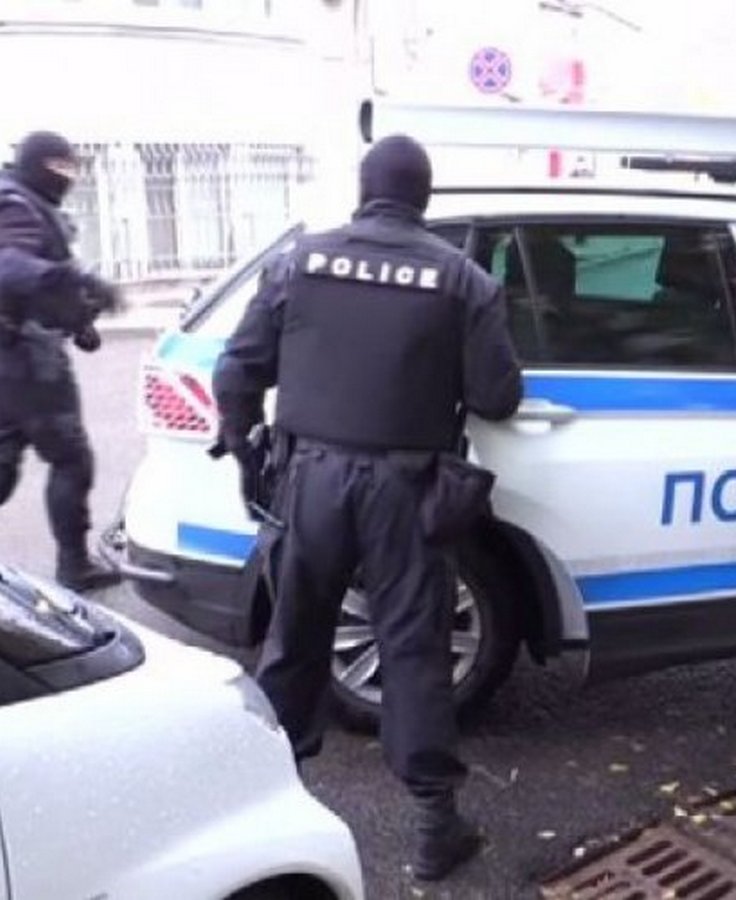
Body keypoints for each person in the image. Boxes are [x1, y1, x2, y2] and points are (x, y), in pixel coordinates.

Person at [212, 133, 523, 881]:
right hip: (405, 493)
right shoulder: (464, 281)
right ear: (424, 196)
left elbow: (236, 369)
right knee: (413, 649)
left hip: (310, 480)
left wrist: (245, 447)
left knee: (294, 640)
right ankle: (435, 827)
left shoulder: (299, 262)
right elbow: (497, 397)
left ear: (363, 189)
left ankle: (264, 809)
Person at [0, 131, 124, 592]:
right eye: (60, 167)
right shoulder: (17, 205)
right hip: (29, 363)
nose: (68, 177)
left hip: (16, 354)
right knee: (72, 459)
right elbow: (9, 267)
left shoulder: (21, 199)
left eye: (74, 168)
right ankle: (74, 565)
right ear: (37, 165)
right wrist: (78, 279)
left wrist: (78, 320)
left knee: (3, 461)